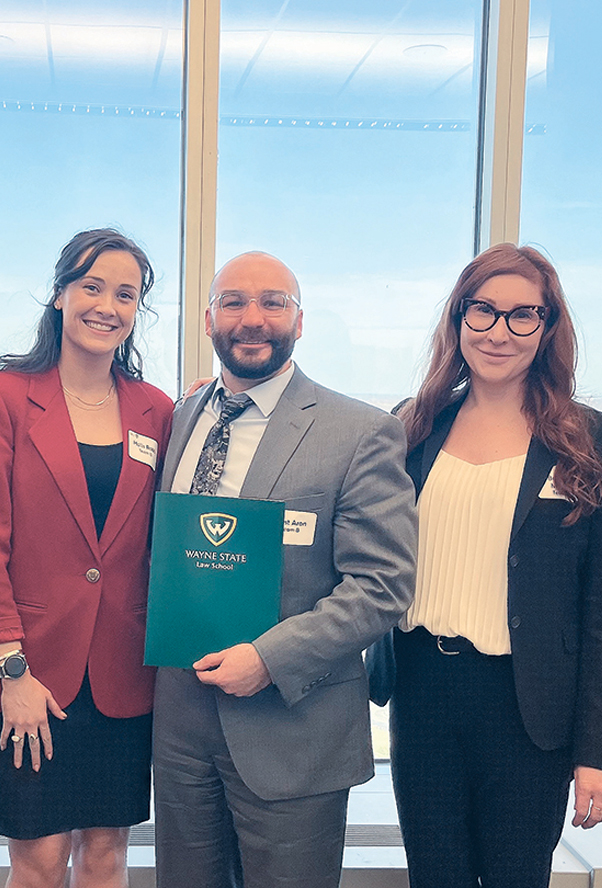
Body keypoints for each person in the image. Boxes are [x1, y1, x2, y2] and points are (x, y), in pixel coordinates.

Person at [370, 243, 602, 888]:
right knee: (435, 878)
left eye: (523, 315)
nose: (498, 331)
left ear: (547, 329)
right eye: (482, 311)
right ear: (458, 318)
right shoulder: (411, 428)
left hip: (527, 706)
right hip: (422, 692)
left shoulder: (592, 439)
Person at [153, 251, 417, 888]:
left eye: (273, 302)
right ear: (209, 318)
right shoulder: (182, 418)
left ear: (300, 322)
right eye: (234, 302)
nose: (253, 318)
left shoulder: (360, 431)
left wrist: (270, 659)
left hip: (294, 728)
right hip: (181, 725)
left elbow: (383, 585)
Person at [0, 228, 174, 888]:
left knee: (107, 851)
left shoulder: (158, 411)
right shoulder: (0, 396)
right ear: (59, 295)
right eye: (92, 286)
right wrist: (11, 669)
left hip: (122, 672)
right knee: (41, 858)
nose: (107, 305)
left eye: (126, 294)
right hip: (27, 674)